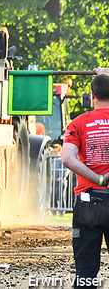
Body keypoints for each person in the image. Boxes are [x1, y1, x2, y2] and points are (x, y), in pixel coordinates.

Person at [62, 73, 109, 289]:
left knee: (86, 273)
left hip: (89, 200)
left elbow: (67, 158)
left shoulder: (78, 123)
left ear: (92, 95)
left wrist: (99, 178)